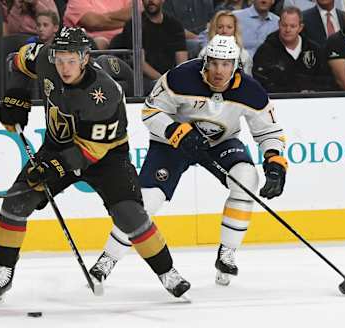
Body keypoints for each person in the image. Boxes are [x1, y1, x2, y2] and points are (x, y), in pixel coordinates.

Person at [0, 27, 190, 305]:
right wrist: (16, 95)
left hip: (107, 157)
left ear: (84, 58)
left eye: (71, 60)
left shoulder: (104, 93)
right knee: (15, 203)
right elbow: (19, 60)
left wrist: (54, 167)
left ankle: (168, 272)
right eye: (60, 59)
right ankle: (3, 270)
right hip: (57, 146)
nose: (64, 67)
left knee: (130, 215)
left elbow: (90, 151)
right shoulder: (45, 57)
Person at [89, 35, 288, 287]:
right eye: (214, 63)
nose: (219, 71)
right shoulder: (179, 77)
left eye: (226, 65)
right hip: (172, 143)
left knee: (246, 178)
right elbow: (150, 112)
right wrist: (177, 131)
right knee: (146, 202)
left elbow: (269, 133)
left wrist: (275, 164)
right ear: (205, 61)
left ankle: (227, 254)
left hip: (220, 143)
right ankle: (107, 260)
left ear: (235, 66)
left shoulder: (251, 91)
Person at [109, 0, 188, 95]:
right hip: (143, 81)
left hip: (169, 78)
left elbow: (182, 63)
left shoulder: (174, 25)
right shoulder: (134, 26)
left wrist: (178, 80)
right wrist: (165, 82)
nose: (150, 1)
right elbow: (140, 64)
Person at [253, 6, 333, 92]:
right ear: (279, 24)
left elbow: (327, 80)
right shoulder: (265, 51)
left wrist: (313, 91)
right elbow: (261, 83)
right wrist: (295, 91)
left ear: (300, 27)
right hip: (279, 101)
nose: (288, 30)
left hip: (312, 101)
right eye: (284, 25)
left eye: (293, 26)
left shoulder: (315, 50)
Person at [63, 0, 136, 49]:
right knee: (100, 42)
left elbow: (135, 12)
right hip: (95, 50)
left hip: (127, 42)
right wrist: (127, 22)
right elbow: (93, 22)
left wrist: (103, 17)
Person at [198, 10, 253, 75]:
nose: (224, 31)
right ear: (215, 29)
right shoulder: (204, 52)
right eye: (220, 27)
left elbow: (247, 80)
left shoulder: (244, 55)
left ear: (235, 29)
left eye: (229, 27)